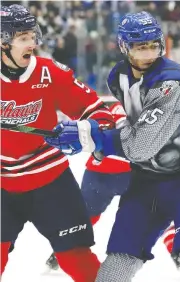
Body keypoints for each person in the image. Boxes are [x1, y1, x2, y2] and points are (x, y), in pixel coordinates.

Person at [44, 11, 180, 282]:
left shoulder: (170, 81)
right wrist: (93, 129)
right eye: (141, 48)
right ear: (124, 47)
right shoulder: (117, 77)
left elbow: (141, 145)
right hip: (146, 180)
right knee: (117, 264)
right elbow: (132, 129)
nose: (149, 54)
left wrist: (89, 136)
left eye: (154, 45)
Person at [0, 4, 111, 281]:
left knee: (78, 260)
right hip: (2, 183)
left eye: (32, 35)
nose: (33, 43)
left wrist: (85, 130)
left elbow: (99, 112)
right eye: (23, 37)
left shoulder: (50, 73)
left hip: (51, 181)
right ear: (3, 43)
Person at [44, 102, 132, 271]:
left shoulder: (123, 107)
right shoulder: (126, 109)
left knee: (86, 216)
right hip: (115, 174)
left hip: (102, 172)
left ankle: (64, 250)